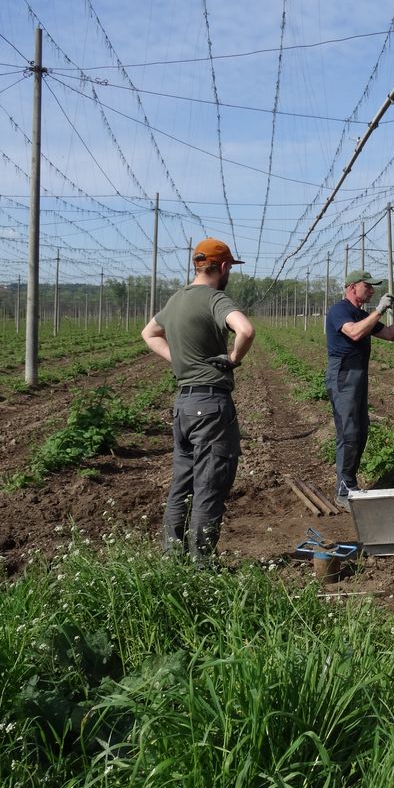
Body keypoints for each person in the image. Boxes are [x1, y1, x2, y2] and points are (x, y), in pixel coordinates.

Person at [142, 237, 255, 562]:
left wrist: (180, 360)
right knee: (210, 485)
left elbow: (148, 334)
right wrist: (233, 357)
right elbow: (245, 330)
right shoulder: (214, 298)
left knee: (182, 483)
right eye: (230, 267)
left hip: (184, 406)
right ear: (222, 267)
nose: (229, 272)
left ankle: (173, 558)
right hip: (211, 406)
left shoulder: (176, 299)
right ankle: (201, 565)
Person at [325, 269, 394, 508]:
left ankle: (349, 483)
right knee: (348, 432)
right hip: (343, 374)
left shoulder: (361, 313)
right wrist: (380, 309)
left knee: (361, 432)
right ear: (352, 287)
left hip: (359, 375)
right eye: (367, 286)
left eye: (373, 287)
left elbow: (390, 334)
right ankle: (343, 489)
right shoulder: (340, 310)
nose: (372, 290)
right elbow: (355, 332)